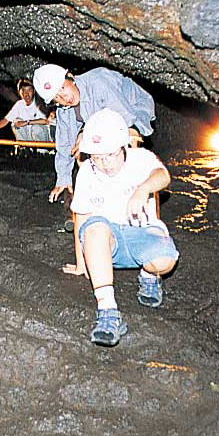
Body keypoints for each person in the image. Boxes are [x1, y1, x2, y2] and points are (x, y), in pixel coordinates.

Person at [64, 108, 179, 347]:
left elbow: (163, 176)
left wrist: (143, 189)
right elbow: (81, 218)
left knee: (165, 260)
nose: (104, 163)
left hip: (141, 232)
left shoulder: (140, 159)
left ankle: (148, 276)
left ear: (122, 147)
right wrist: (80, 262)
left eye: (110, 155)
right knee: (94, 228)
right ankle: (108, 312)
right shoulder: (87, 172)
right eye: (97, 157)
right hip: (107, 243)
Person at [32, 64, 156, 203]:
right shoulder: (64, 110)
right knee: (81, 152)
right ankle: (103, 193)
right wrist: (63, 179)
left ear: (70, 77)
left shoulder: (98, 82)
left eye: (62, 88)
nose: (64, 98)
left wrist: (86, 135)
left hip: (133, 110)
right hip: (98, 119)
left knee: (127, 139)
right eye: (57, 97)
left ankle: (133, 189)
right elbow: (64, 145)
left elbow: (124, 119)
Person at [0, 78, 52, 142]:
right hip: (29, 137)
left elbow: (46, 121)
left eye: (29, 90)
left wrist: (27, 122)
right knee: (15, 122)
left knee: (36, 128)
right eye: (23, 90)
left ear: (34, 91)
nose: (26, 94)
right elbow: (6, 120)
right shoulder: (19, 104)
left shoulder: (39, 102)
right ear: (19, 92)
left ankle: (42, 151)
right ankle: (24, 148)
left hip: (43, 137)